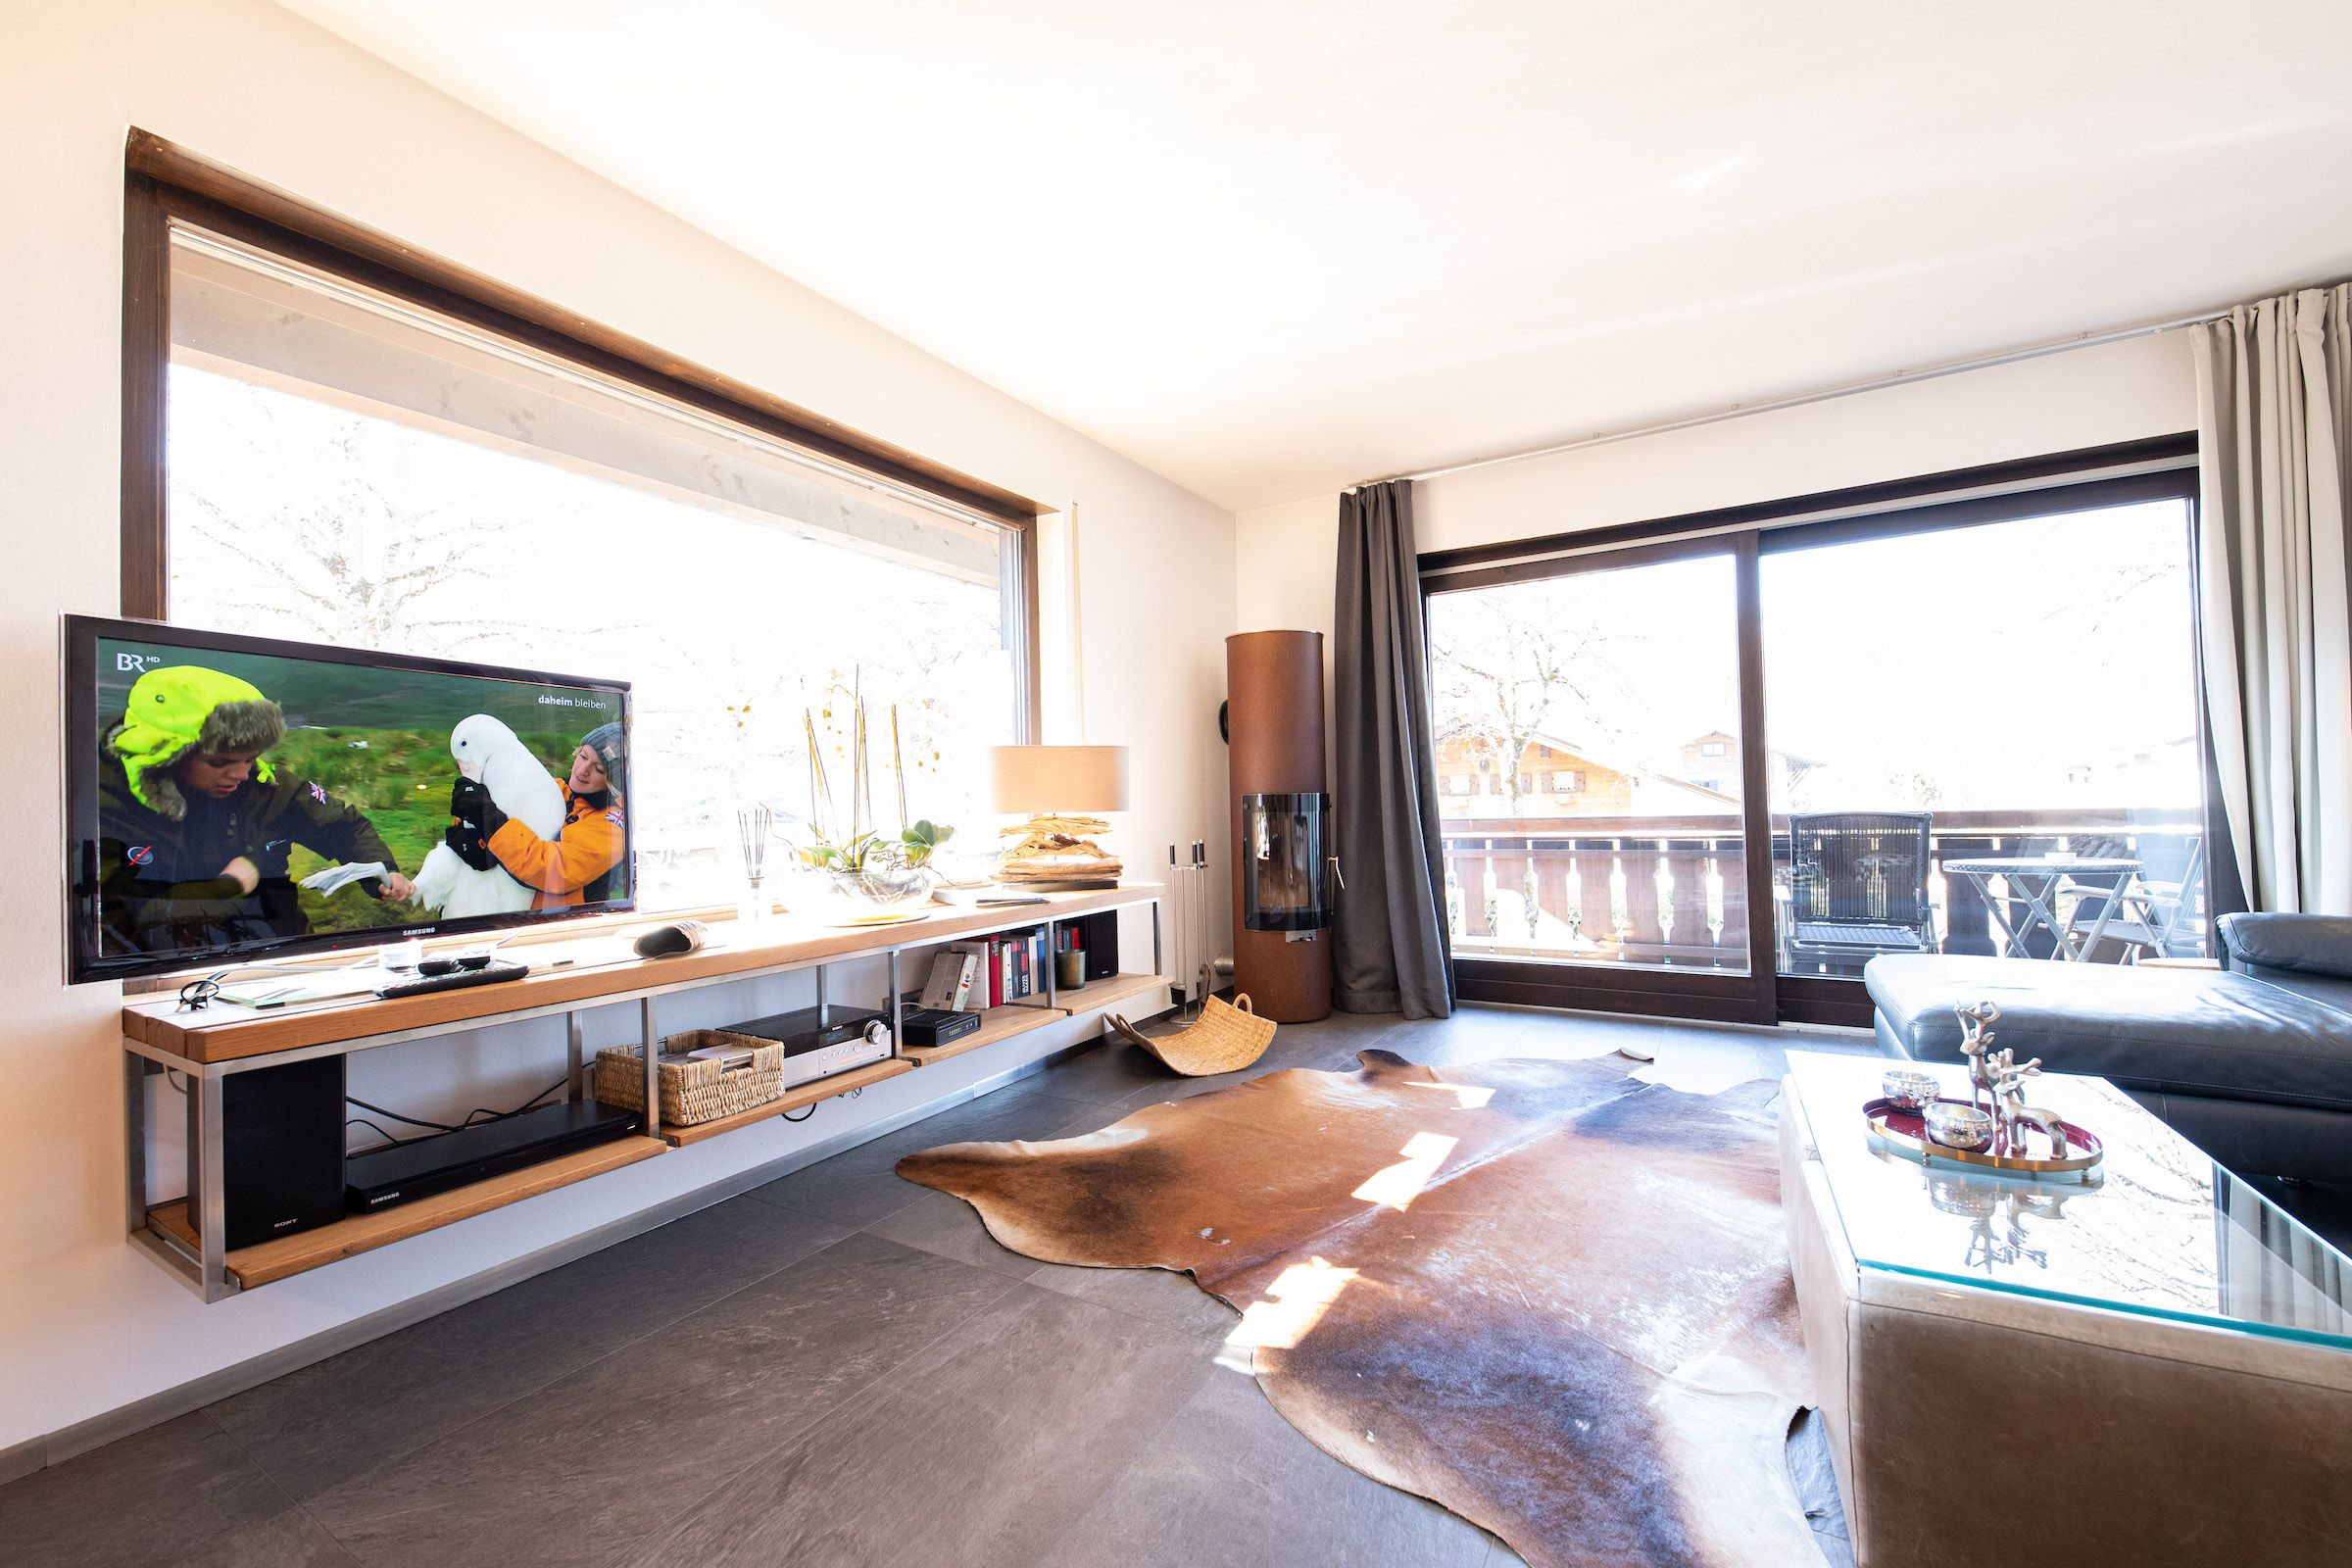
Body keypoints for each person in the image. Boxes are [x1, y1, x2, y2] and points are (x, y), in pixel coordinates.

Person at [97, 664, 416, 956]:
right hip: (166, 967)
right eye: (220, 762)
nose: (241, 774)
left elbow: (344, 826)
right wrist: (234, 883)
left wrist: (382, 871)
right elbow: (118, 917)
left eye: (250, 758)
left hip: (283, 951)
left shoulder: (270, 788)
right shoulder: (105, 804)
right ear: (167, 752)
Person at [444, 720, 627, 907]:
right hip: (501, 909)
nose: (582, 770)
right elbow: (485, 815)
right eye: (583, 756)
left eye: (598, 769)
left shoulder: (614, 826)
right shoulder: (554, 788)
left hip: (556, 927)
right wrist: (471, 836)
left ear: (614, 781)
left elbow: (554, 870)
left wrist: (491, 822)